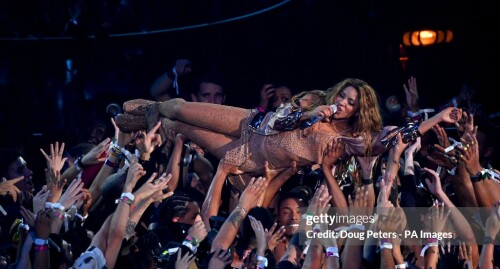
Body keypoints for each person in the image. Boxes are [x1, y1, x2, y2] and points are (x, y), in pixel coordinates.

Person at [117, 77, 462, 191]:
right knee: (176, 107)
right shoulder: (315, 103)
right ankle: (138, 110)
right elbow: (276, 120)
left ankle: (129, 119)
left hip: (249, 156)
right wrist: (309, 114)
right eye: (343, 95)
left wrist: (442, 115)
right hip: (249, 125)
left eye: (350, 102)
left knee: (183, 128)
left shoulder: (352, 141)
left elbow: (401, 133)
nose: (342, 102)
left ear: (359, 111)